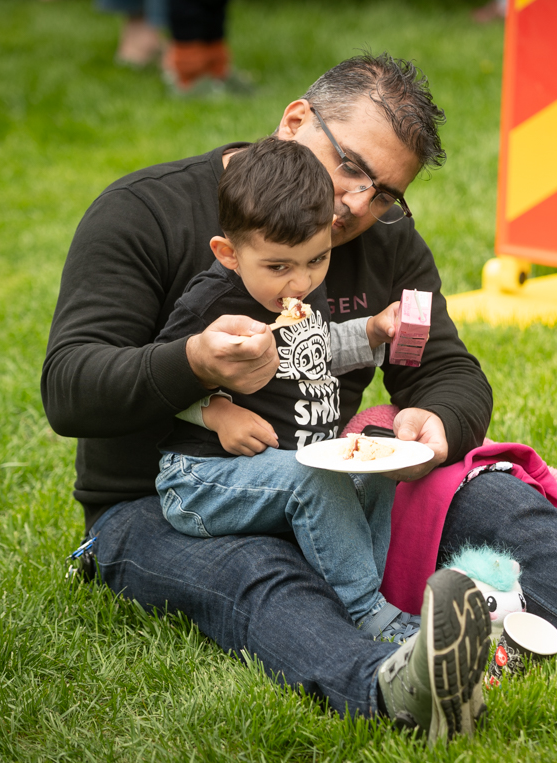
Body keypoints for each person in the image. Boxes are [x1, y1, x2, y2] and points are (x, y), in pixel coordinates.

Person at [42, 52, 557, 743]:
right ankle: (396, 686)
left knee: (484, 496)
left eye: (383, 191)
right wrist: (194, 365)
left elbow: (447, 367)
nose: (355, 204)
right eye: (350, 166)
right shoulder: (145, 213)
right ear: (294, 121)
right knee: (260, 570)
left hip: (324, 477)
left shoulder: (384, 239)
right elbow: (69, 387)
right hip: (161, 498)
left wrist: (436, 425)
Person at [153, 136, 416, 641]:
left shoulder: (295, 292)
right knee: (312, 478)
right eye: (279, 267)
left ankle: (374, 594)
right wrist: (214, 412)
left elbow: (311, 350)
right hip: (201, 479)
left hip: (285, 470)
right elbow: (162, 378)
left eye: (316, 261)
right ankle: (368, 614)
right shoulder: (210, 304)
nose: (299, 282)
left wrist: (370, 332)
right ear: (229, 254)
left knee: (382, 461)